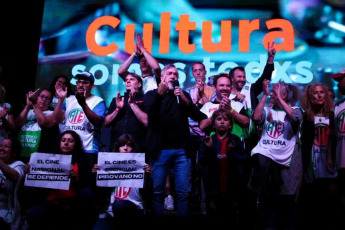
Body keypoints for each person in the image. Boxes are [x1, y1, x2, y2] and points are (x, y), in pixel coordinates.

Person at [144, 64, 208, 216]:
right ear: (162, 77)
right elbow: (151, 116)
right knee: (158, 191)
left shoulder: (182, 95)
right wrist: (160, 95)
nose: (173, 76)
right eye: (170, 73)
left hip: (181, 150)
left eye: (176, 74)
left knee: (183, 193)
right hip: (160, 150)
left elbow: (199, 117)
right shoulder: (152, 94)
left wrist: (186, 101)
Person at [248, 80, 303, 230]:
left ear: (284, 95)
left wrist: (280, 100)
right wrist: (265, 96)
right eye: (272, 91)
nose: (272, 93)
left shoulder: (296, 109)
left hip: (286, 160)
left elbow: (296, 118)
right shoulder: (267, 110)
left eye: (275, 91)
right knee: (268, 197)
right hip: (267, 158)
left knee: (286, 198)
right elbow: (257, 118)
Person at [24, 130, 98, 230]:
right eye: (63, 140)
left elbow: (86, 185)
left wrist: (75, 178)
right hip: (51, 203)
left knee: (87, 193)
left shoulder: (82, 160)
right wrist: (30, 173)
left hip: (73, 203)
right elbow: (39, 185)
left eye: (70, 141)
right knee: (33, 214)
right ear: (59, 143)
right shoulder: (49, 158)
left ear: (76, 144)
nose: (66, 143)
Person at [298, 83, 340, 229]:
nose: (319, 95)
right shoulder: (306, 117)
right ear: (310, 96)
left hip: (330, 161)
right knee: (313, 202)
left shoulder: (333, 115)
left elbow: (335, 138)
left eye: (322, 92)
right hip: (312, 163)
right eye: (315, 93)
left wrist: (330, 157)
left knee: (332, 202)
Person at [92, 134, 152, 230]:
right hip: (109, 212)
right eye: (122, 145)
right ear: (117, 148)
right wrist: (96, 176)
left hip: (133, 209)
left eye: (129, 145)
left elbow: (148, 195)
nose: (125, 148)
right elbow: (99, 195)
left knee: (120, 205)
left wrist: (148, 177)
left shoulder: (142, 167)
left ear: (133, 149)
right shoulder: (107, 167)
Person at [228, 42, 276, 157]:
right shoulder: (225, 93)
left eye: (244, 77)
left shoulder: (250, 89)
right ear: (231, 79)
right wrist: (235, 97)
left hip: (252, 136)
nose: (242, 79)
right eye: (239, 77)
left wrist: (270, 59)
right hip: (233, 136)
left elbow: (265, 77)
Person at [198, 108, 245, 222]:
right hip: (213, 187)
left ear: (230, 125)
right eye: (219, 119)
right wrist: (209, 149)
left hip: (231, 186)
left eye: (226, 119)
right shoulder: (209, 140)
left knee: (230, 215)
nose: (222, 122)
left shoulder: (235, 140)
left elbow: (243, 159)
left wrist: (231, 152)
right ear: (213, 124)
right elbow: (202, 162)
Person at [56, 71, 106, 165]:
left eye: (85, 83)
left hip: (87, 149)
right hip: (67, 149)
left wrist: (83, 104)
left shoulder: (98, 101)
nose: (80, 85)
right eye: (79, 82)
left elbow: (97, 122)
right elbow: (57, 119)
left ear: (92, 86)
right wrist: (61, 99)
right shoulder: (68, 100)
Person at [104, 73, 147, 153]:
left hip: (138, 147)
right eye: (126, 80)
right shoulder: (117, 100)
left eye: (132, 79)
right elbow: (106, 123)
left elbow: (146, 122)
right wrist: (117, 109)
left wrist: (132, 104)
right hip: (116, 146)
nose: (128, 81)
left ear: (139, 84)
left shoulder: (145, 99)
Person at [15, 88, 60, 163]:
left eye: (47, 98)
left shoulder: (51, 113)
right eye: (42, 96)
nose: (44, 99)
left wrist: (34, 103)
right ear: (37, 97)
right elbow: (18, 125)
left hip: (40, 156)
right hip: (22, 151)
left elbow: (43, 123)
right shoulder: (28, 111)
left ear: (50, 102)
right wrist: (28, 106)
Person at [330, 69, 345, 227]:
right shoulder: (338, 106)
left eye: (341, 79)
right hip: (341, 162)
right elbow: (333, 135)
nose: (338, 83)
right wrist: (329, 157)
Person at [0, 138, 25, 230]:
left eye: (6, 146)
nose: (2, 148)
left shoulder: (19, 164)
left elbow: (15, 176)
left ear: (14, 152)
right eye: (1, 145)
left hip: (7, 216)